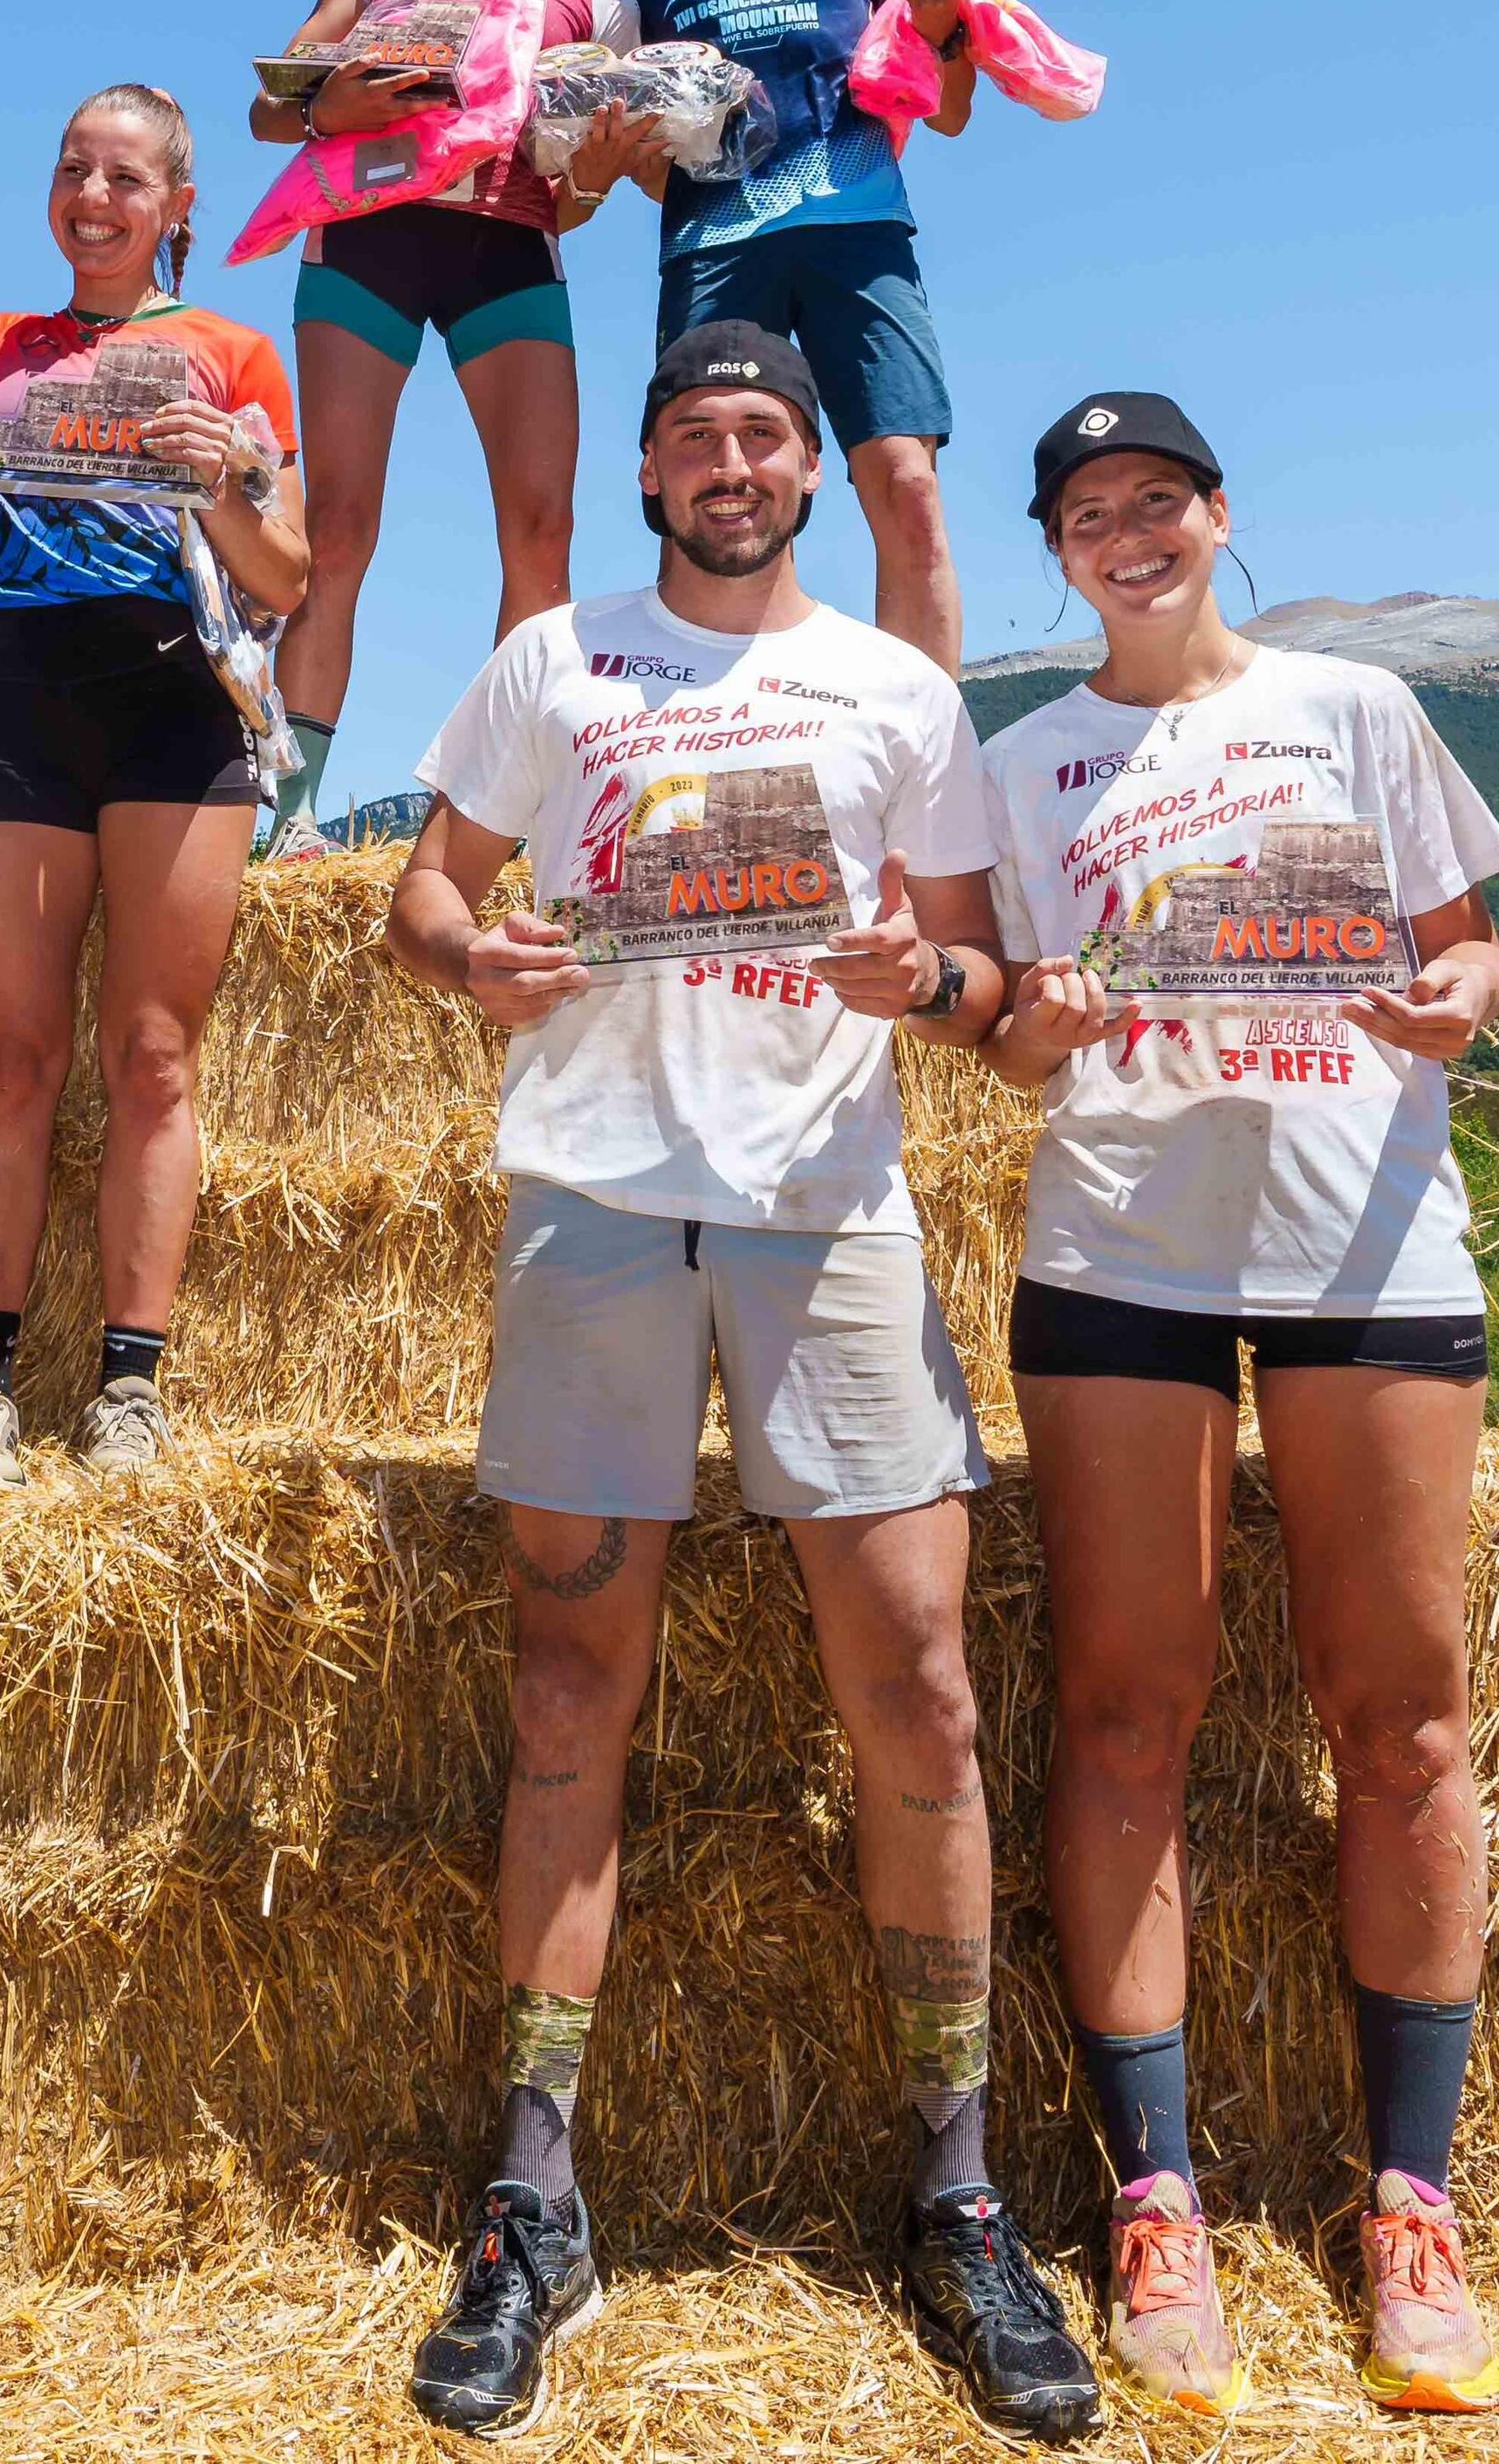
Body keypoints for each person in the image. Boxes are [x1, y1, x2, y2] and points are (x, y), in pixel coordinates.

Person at [381, 322, 1096, 2447]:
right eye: (693, 431)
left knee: (922, 1693)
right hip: (592, 1201)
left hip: (825, 1209)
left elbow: (990, 992)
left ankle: (957, 2194)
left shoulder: (896, 688)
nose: (728, 458)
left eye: (762, 431)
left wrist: (928, 976)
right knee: (564, 1693)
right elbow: (427, 896)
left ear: (803, 469)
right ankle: (530, 2195)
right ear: (649, 469)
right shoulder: (552, 661)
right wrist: (466, 957)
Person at [974, 393, 1499, 2419]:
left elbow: (1472, 962)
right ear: (1059, 550)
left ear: (1219, 517)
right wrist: (1032, 1017)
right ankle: (1157, 2199)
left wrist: (1446, 1000)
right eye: (1087, 513)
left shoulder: (1357, 708)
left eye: (1156, 501)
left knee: (1401, 1715)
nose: (1126, 534)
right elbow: (1009, 1037)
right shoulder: (1018, 758)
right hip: (1121, 1250)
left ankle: (1410, 2205)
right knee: (1130, 1707)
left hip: (1367, 1243)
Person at [0, 85, 305, 1487]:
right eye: (74, 167)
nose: (94, 195)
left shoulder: (235, 351)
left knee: (152, 1054)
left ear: (178, 205)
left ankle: (129, 1388)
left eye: (127, 177)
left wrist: (227, 484)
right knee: (11, 1060)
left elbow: (288, 575)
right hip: (18, 698)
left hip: (172, 709)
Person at [250, 0, 654, 857]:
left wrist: (602, 174)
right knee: (340, 531)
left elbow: (576, 195)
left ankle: (504, 818)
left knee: (543, 534)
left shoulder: (602, 1)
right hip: (367, 242)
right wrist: (336, 107)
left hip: (511, 250)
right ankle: (290, 816)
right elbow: (273, 105)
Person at [596, 0, 989, 674]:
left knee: (903, 483)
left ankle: (927, 780)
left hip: (860, 230)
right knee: (709, 501)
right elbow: (639, 159)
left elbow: (945, 111)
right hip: (712, 246)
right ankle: (716, 744)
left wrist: (941, 22)